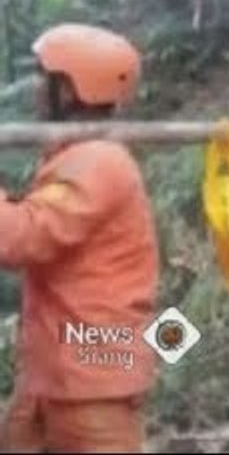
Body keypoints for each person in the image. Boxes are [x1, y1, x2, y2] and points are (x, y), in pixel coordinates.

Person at [0, 23, 159, 453]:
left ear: (70, 90)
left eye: (43, 79)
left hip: (92, 376)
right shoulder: (78, 156)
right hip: (59, 371)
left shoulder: (97, 161)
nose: (35, 90)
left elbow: (20, 237)